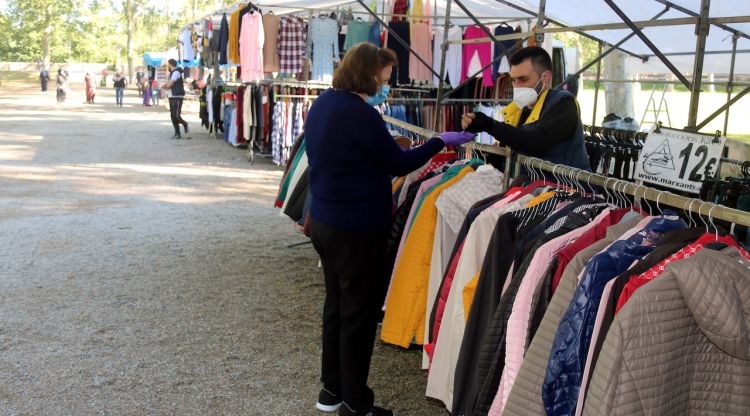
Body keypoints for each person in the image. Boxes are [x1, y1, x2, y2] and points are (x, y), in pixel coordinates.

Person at [304, 42, 474, 416]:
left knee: (336, 306)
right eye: (385, 75)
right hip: (355, 227)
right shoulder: (361, 114)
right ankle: (356, 402)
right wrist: (438, 142)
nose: (387, 82)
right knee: (358, 315)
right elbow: (399, 163)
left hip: (325, 221)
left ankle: (331, 392)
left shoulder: (323, 104)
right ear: (368, 72)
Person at [461, 46, 590, 170]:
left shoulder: (564, 103)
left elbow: (536, 142)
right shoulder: (520, 108)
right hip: (526, 186)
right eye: (513, 80)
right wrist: (490, 158)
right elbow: (513, 147)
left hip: (565, 189)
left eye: (523, 79)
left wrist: (489, 125)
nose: (516, 86)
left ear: (545, 77)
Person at [163, 59, 189, 139]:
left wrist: (165, 86)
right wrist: (165, 85)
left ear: (170, 64)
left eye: (168, 64)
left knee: (176, 116)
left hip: (177, 96)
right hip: (172, 96)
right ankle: (177, 133)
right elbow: (168, 84)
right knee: (172, 116)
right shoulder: (172, 73)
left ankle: (184, 124)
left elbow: (170, 84)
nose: (167, 66)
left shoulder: (176, 72)